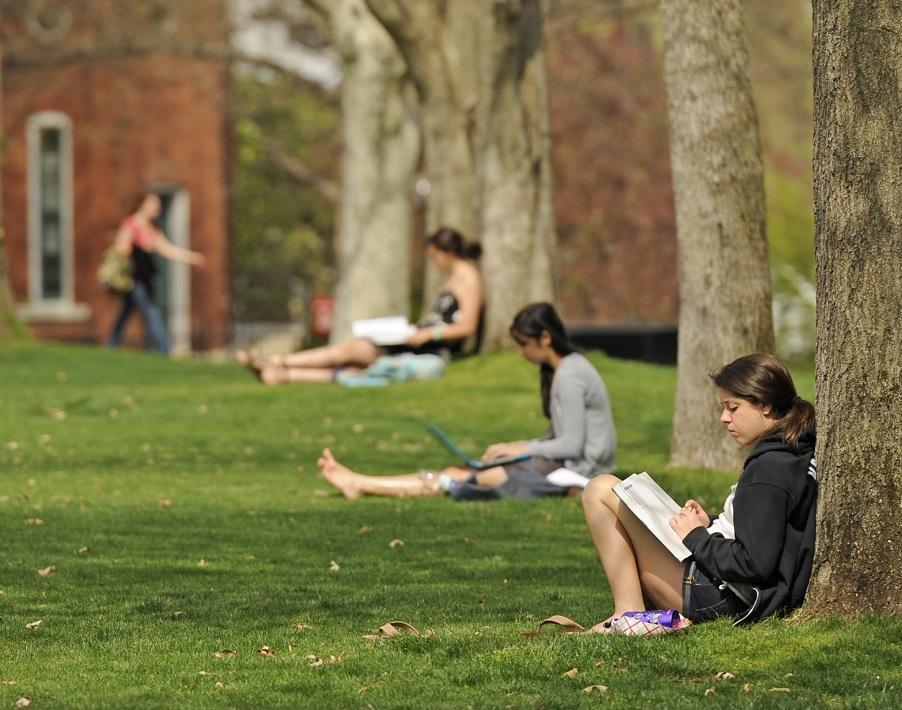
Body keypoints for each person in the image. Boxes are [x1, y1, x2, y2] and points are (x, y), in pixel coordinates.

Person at [580, 353, 817, 632]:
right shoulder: (795, 452)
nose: (723, 418)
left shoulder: (769, 470)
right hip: (729, 586)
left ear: (764, 405)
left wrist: (696, 537)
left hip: (721, 595)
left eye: (733, 407)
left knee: (600, 489)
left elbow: (754, 565)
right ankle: (631, 612)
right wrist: (709, 523)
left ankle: (629, 614)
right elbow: (768, 531)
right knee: (615, 492)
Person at [318, 302, 617, 500]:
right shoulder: (564, 371)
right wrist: (517, 453)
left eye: (524, 344)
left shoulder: (570, 375)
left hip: (575, 479)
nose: (521, 353)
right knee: (467, 474)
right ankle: (361, 482)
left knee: (461, 479)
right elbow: (561, 440)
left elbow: (572, 445)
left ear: (545, 339)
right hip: (559, 468)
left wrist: (521, 449)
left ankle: (361, 483)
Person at [239, 228, 483, 385]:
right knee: (354, 354)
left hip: (433, 348)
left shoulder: (468, 278)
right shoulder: (453, 278)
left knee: (353, 352)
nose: (434, 262)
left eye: (435, 255)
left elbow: (467, 326)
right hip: (417, 339)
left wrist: (428, 334)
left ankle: (279, 363)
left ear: (449, 252)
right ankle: (282, 371)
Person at [105, 193, 206, 354]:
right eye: (153, 204)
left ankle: (111, 345)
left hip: (147, 277)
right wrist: (130, 247)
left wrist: (192, 257)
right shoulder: (131, 224)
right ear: (143, 205)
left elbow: (168, 250)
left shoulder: (153, 229)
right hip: (134, 279)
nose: (157, 209)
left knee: (127, 312)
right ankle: (166, 348)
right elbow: (121, 247)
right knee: (150, 311)